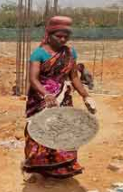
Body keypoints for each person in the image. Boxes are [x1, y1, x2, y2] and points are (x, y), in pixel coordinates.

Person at [23, 16, 96, 180]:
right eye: (59, 36)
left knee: (64, 131)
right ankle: (38, 169)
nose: (63, 40)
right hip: (42, 99)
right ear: (49, 35)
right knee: (39, 130)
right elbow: (33, 79)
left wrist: (86, 96)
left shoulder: (70, 53)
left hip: (63, 98)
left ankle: (62, 168)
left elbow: (74, 77)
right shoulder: (39, 53)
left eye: (66, 37)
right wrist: (46, 94)